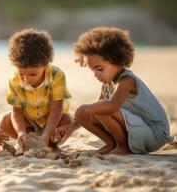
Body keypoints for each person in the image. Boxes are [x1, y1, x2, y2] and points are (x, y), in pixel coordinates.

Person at [56, 26, 174, 155]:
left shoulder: (127, 81)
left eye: (100, 69)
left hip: (154, 133)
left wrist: (87, 108)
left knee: (101, 107)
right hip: (139, 130)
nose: (96, 74)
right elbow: (95, 109)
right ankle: (111, 144)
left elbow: (111, 106)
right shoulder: (108, 84)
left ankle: (122, 147)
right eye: (93, 70)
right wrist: (71, 127)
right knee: (88, 112)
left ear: (117, 60)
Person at [0, 28, 73, 150]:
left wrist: (47, 133)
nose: (26, 79)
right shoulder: (14, 80)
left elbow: (57, 108)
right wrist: (21, 132)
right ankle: (28, 140)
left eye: (32, 74)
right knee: (4, 122)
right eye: (22, 73)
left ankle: (50, 142)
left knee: (68, 120)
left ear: (45, 65)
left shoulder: (56, 75)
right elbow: (16, 111)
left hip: (52, 120)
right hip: (28, 121)